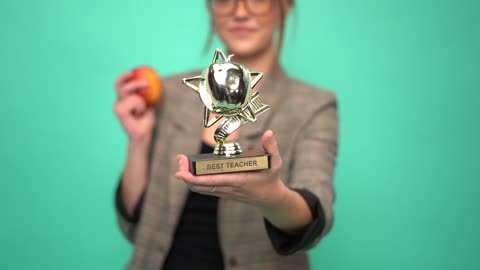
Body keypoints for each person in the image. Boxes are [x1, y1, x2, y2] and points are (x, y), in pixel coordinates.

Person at [113, 0, 338, 269]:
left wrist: (273, 196)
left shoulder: (313, 106)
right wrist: (139, 141)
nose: (240, 12)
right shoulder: (168, 93)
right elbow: (135, 224)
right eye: (224, 0)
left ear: (285, 6)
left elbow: (315, 215)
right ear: (210, 9)